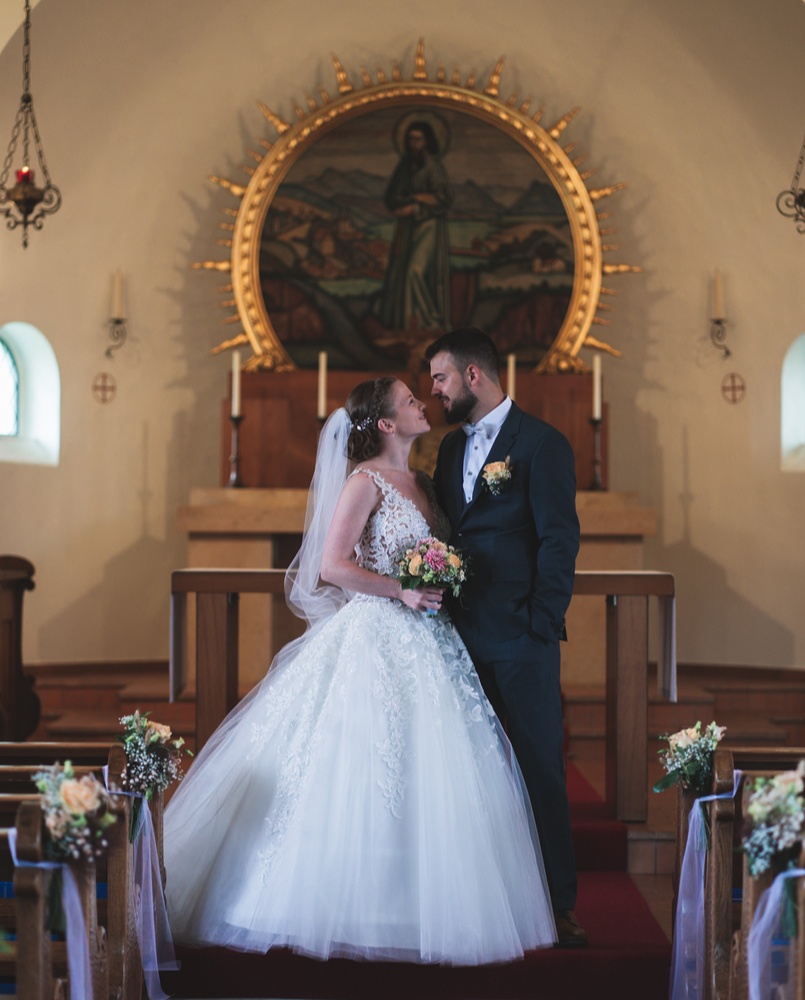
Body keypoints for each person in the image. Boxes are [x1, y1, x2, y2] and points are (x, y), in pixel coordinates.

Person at [163, 375, 556, 964]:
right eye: (408, 401)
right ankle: (342, 904)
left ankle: (420, 905)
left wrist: (440, 576)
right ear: (387, 425)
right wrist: (402, 588)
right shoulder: (363, 482)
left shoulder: (426, 481)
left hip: (432, 639)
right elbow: (331, 565)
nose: (422, 403)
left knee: (437, 768)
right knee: (363, 764)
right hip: (376, 633)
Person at [425, 328, 587, 948]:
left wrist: (540, 624)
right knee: (474, 774)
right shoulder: (447, 450)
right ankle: (491, 907)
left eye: (440, 378)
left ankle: (561, 906)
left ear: (472, 376)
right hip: (459, 638)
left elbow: (558, 540)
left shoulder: (542, 444)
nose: (434, 390)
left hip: (521, 637)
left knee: (540, 769)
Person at [377, 120, 452, 331]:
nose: (413, 144)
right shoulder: (404, 167)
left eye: (418, 139)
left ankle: (430, 321)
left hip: (429, 226)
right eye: (410, 139)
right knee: (400, 273)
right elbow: (392, 197)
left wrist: (415, 204)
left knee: (414, 271)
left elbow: (443, 199)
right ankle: (409, 322)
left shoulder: (433, 167)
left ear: (427, 142)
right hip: (407, 227)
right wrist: (407, 203)